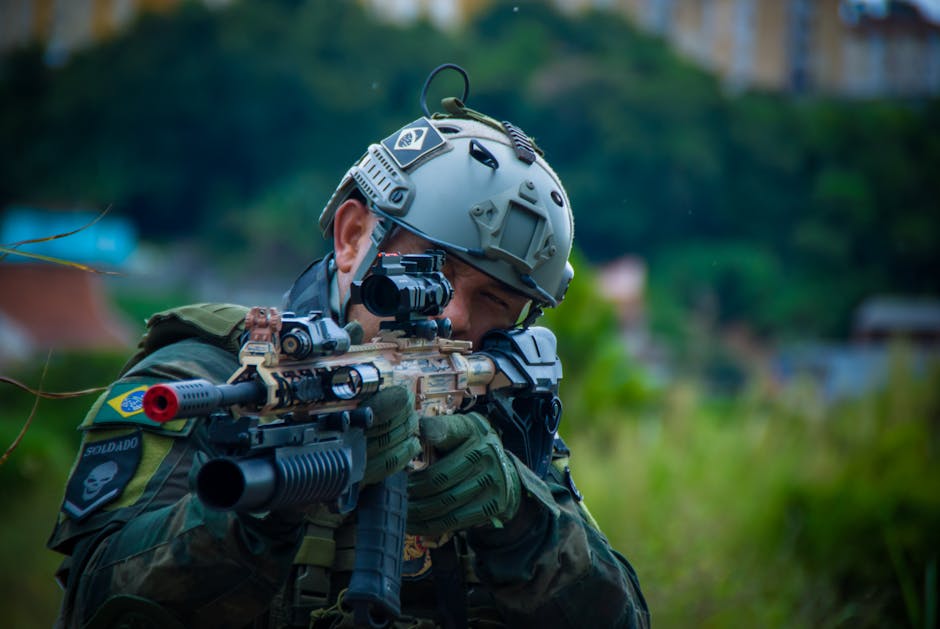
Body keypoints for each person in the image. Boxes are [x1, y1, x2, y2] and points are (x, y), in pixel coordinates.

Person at [47, 68, 650, 628]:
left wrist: (524, 522)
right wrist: (260, 510)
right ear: (354, 235)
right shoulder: (208, 373)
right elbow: (96, 602)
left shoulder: (499, 411)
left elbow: (622, 616)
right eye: (429, 270)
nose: (455, 314)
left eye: (495, 301)